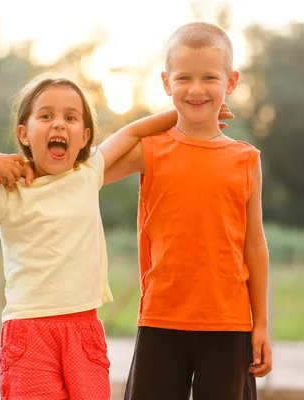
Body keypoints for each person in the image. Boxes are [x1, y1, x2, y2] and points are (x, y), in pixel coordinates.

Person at [0, 74, 233, 400]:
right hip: (28, 332)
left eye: (71, 118)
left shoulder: (89, 171)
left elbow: (133, 131)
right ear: (24, 133)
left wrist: (193, 115)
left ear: (84, 137)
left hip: (83, 330)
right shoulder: (9, 188)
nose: (59, 125)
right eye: (46, 116)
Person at [102, 22, 271, 400]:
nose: (196, 89)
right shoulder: (150, 151)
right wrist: (156, 122)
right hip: (162, 317)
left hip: (229, 322)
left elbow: (255, 246)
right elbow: (91, 170)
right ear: (166, 82)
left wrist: (260, 325)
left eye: (209, 77)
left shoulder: (246, 159)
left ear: (231, 82)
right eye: (184, 78)